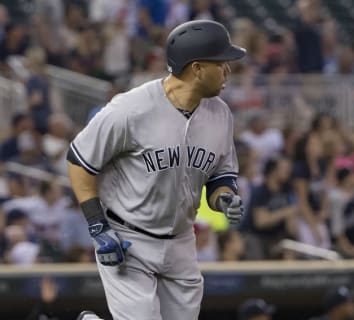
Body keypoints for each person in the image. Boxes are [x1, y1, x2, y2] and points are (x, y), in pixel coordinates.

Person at [68, 20, 246, 320]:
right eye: (221, 63)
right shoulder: (130, 109)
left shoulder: (221, 114)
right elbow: (79, 161)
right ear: (197, 69)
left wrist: (224, 197)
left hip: (181, 241)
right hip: (129, 238)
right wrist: (98, 225)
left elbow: (220, 175)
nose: (228, 70)